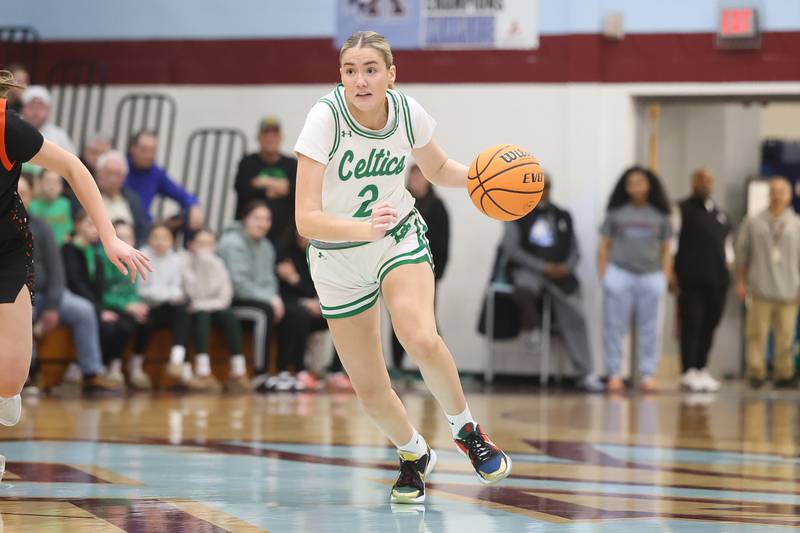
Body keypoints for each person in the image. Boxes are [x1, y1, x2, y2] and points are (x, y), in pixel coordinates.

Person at [293, 31, 511, 504]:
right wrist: (359, 228)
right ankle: (413, 454)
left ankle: (467, 431)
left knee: (418, 334)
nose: (360, 80)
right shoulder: (324, 119)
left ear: (391, 74)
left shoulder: (407, 112)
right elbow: (305, 218)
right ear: (341, 77)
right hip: (337, 255)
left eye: (371, 69)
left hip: (396, 237)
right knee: (370, 389)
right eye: (350, 70)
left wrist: (484, 176)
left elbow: (436, 169)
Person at [0, 70, 148, 457]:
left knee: (11, 377)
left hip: (7, 250)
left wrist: (109, 235)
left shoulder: (8, 128)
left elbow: (73, 167)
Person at [18, 176, 122, 392]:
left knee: (83, 310)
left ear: (31, 196)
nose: (18, 197)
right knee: (21, 316)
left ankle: (91, 372)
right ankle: (26, 375)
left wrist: (53, 306)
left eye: (24, 192)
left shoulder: (42, 227)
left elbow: (56, 270)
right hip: (17, 298)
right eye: (14, 192)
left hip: (48, 294)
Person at [501, 178, 603, 393]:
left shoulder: (562, 215)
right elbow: (511, 250)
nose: (542, 191)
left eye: (545, 186)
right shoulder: (516, 215)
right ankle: (533, 327)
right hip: (530, 271)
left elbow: (575, 249)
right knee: (524, 287)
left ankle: (586, 372)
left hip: (560, 274)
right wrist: (543, 266)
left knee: (576, 315)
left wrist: (566, 267)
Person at [218, 200, 312, 391]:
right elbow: (238, 285)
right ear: (245, 219)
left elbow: (270, 281)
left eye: (266, 219)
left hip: (258, 299)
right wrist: (269, 299)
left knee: (295, 312)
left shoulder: (266, 246)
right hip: (232, 302)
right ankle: (260, 375)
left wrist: (274, 297)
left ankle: (284, 371)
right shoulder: (232, 242)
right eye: (257, 218)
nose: (262, 223)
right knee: (264, 312)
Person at [597, 166, 672, 394]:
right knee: (614, 328)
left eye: (641, 182)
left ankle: (648, 374)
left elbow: (667, 249)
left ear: (649, 186)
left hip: (651, 276)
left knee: (651, 329)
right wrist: (605, 275)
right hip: (620, 274)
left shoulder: (660, 216)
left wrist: (665, 276)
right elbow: (603, 246)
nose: (637, 186)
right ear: (626, 187)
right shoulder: (616, 214)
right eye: (632, 183)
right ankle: (614, 374)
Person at [62, 211, 139, 391]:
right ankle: (81, 368)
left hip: (96, 304)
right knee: (107, 327)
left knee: (125, 324)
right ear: (77, 226)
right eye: (90, 224)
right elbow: (76, 284)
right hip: (78, 303)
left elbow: (100, 286)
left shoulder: (96, 251)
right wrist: (99, 310)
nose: (95, 230)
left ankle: (102, 368)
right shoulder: (68, 250)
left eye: (97, 225)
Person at [736, 177, 800, 389]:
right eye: (773, 191)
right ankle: (756, 372)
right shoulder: (754, 222)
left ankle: (784, 373)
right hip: (761, 289)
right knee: (756, 334)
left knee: (786, 337)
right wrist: (741, 282)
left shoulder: (796, 224)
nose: (777, 195)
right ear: (768, 194)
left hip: (790, 291)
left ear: (789, 195)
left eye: (782, 191)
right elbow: (742, 254)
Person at [672, 169, 732, 392]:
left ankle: (701, 367)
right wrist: (671, 273)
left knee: (710, 323)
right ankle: (688, 370)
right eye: (701, 180)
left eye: (709, 180)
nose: (705, 184)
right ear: (693, 182)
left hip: (717, 280)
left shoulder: (720, 214)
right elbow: (672, 244)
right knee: (691, 323)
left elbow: (727, 247)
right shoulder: (681, 209)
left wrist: (729, 269)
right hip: (690, 278)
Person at [389, 163, 449, 375]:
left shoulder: (437, 207)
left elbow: (443, 245)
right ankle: (397, 366)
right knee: (397, 319)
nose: (415, 180)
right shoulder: (400, 203)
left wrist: (435, 274)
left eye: (419, 176)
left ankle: (436, 368)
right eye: (412, 176)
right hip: (399, 271)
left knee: (427, 322)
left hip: (426, 272)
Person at [183, 229, 251, 393]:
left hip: (213, 307)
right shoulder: (186, 264)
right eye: (201, 244)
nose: (205, 248)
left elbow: (225, 297)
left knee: (229, 316)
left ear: (215, 246)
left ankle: (238, 371)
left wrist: (205, 304)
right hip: (195, 312)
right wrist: (203, 265)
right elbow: (193, 294)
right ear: (192, 245)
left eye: (209, 244)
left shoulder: (219, 264)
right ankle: (203, 372)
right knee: (202, 316)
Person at [135, 224, 199, 389]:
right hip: (148, 306)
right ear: (149, 239)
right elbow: (143, 290)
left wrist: (171, 295)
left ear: (171, 241)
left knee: (184, 314)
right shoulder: (141, 255)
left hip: (168, 307)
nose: (160, 241)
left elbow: (177, 287)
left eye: (164, 237)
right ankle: (135, 366)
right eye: (156, 237)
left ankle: (177, 362)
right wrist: (169, 295)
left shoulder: (176, 259)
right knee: (145, 322)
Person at [276, 229, 330, 390]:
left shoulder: (315, 254)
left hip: (308, 303)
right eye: (303, 232)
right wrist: (303, 299)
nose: (306, 237)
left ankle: (334, 371)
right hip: (286, 303)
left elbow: (311, 287)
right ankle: (296, 369)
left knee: (338, 316)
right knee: (300, 315)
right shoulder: (283, 253)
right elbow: (280, 289)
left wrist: (296, 281)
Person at [234, 116, 297, 244]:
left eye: (274, 135)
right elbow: (243, 190)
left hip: (283, 234)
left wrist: (263, 182)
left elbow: (295, 191)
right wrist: (278, 187)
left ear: (280, 138)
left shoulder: (291, 164)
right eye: (266, 134)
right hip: (248, 234)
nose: (270, 139)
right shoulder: (248, 162)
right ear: (258, 137)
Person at [125, 130, 204, 230]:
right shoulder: (119, 168)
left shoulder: (155, 173)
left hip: (145, 226)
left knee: (189, 215)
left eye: (153, 151)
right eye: (144, 150)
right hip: (121, 224)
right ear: (132, 149)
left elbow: (181, 194)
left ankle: (191, 245)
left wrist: (194, 205)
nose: (149, 155)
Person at [96, 150, 149, 246]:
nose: (112, 179)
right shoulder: (87, 195)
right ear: (99, 172)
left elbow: (142, 230)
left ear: (124, 178)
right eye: (108, 173)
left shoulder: (132, 199)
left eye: (117, 174)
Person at [20, 86, 77, 155]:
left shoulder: (59, 136)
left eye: (40, 108)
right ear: (23, 109)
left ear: (48, 110)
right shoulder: (13, 130)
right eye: (32, 107)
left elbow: (71, 161)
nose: (36, 113)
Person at [28, 168, 73, 244]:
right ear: (40, 183)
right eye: (48, 182)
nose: (52, 187)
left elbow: (68, 228)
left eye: (56, 182)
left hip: (61, 248)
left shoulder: (65, 204)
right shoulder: (32, 205)